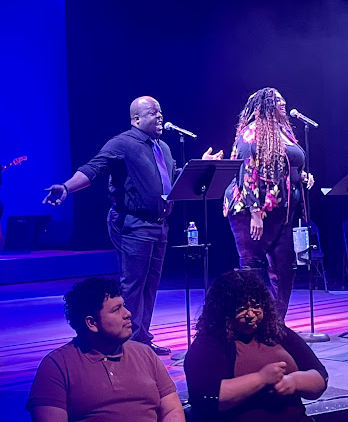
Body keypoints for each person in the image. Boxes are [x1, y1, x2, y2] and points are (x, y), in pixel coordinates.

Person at [43, 96, 222, 355]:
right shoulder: (123, 143)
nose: (159, 116)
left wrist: (202, 166)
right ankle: (125, 343)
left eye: (160, 111)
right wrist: (66, 187)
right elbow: (94, 169)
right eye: (152, 112)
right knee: (134, 286)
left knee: (150, 286)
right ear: (136, 119)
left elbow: (170, 180)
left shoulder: (163, 148)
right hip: (133, 224)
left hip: (159, 225)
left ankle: (141, 340)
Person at [26, 277, 197, 422]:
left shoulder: (145, 353)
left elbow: (171, 409)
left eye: (124, 306)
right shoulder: (57, 365)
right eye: (116, 310)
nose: (128, 313)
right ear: (91, 323)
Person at [184, 270, 342, 422]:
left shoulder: (277, 332)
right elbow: (208, 398)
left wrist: (293, 382)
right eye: (241, 309)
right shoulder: (209, 345)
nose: (251, 314)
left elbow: (320, 376)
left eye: (256, 306)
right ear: (224, 311)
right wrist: (261, 379)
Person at [223, 88, 314, 319]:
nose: (283, 103)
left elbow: (289, 165)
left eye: (283, 99)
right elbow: (246, 172)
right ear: (263, 106)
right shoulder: (250, 134)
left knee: (285, 267)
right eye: (276, 100)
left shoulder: (283, 132)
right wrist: (255, 212)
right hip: (251, 211)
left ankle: (275, 322)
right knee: (252, 266)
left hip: (283, 212)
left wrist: (302, 176)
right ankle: (250, 321)